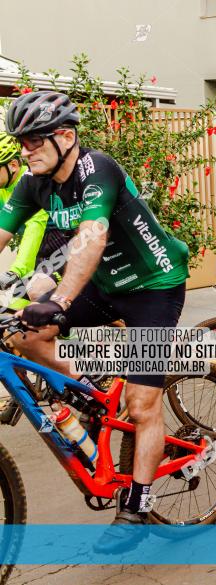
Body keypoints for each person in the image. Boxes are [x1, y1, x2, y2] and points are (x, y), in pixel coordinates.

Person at [0, 91, 191, 550]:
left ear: (65, 136)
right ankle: (87, 394)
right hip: (105, 287)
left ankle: (137, 507)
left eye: (33, 141)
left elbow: (91, 236)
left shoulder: (97, 170)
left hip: (154, 287)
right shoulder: (33, 181)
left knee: (145, 405)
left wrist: (62, 298)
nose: (26, 151)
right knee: (24, 334)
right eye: (21, 143)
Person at [0, 131, 73, 310]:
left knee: (41, 302)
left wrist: (16, 271)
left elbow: (35, 227)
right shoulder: (3, 187)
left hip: (61, 248)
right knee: (17, 313)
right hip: (38, 255)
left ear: (14, 165)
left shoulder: (32, 182)